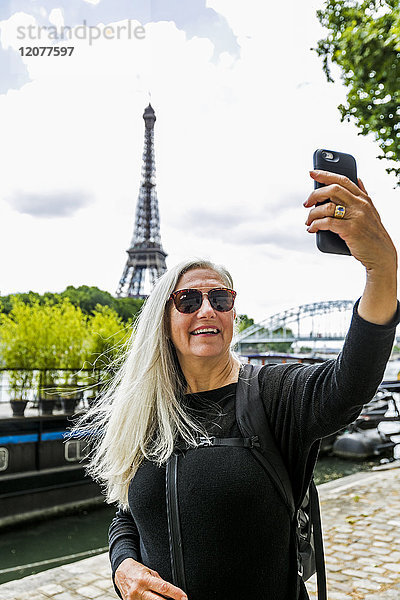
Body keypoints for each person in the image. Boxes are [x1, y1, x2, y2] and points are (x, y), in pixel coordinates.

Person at [83, 170, 399, 600]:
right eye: (188, 300)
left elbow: (351, 383)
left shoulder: (272, 394)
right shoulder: (146, 409)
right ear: (164, 318)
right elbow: (128, 513)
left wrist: (380, 268)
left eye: (221, 299)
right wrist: (123, 567)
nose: (207, 309)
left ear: (234, 313)